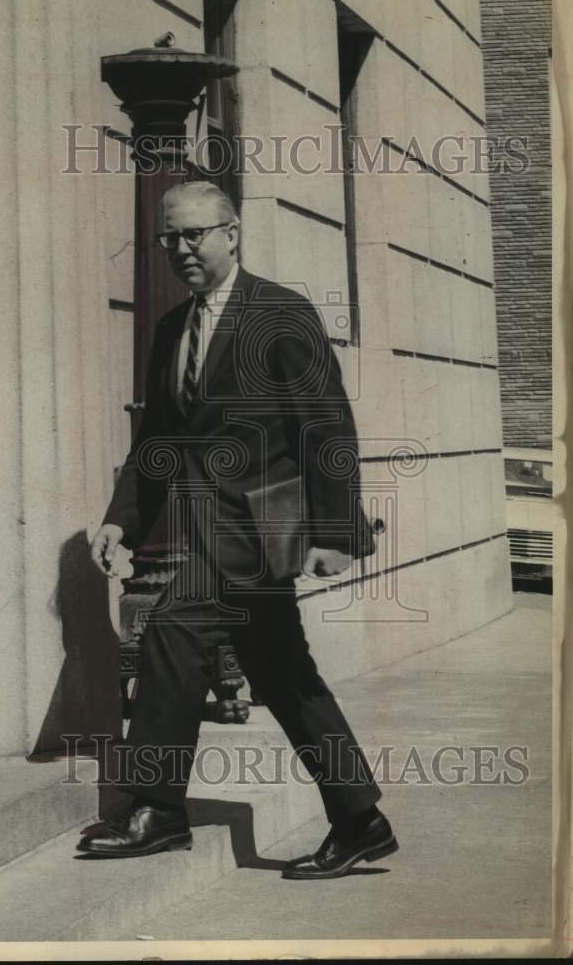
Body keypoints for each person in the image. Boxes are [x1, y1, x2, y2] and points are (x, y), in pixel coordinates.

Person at [77, 181, 397, 880]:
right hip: (208, 528)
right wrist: (120, 520)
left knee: (171, 631)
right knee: (281, 672)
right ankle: (360, 819)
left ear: (232, 233)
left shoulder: (280, 314)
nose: (181, 249)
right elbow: (157, 442)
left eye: (194, 234)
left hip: (261, 532)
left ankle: (157, 808)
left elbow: (326, 426)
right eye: (169, 237)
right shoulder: (173, 329)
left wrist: (335, 533)